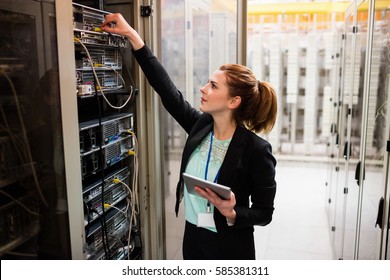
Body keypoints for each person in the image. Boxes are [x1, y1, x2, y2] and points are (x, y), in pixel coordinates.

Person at [101, 14, 277, 260]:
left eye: (214, 86)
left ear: (233, 101)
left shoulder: (257, 150)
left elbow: (264, 212)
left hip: (229, 246)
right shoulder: (201, 126)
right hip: (194, 238)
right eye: (207, 83)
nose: (203, 89)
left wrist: (233, 212)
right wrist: (133, 36)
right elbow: (166, 90)